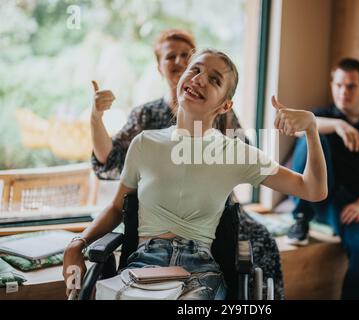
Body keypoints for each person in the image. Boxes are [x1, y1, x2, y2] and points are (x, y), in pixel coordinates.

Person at [64, 49, 328, 300]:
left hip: (200, 273)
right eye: (195, 70)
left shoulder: (234, 152)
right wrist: (78, 243)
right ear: (182, 80)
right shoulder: (144, 144)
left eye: (214, 79)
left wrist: (311, 130)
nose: (199, 79)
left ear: (226, 106)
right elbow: (115, 208)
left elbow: (313, 189)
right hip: (143, 268)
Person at [90, 28, 283, 298]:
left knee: (261, 239)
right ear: (159, 66)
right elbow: (109, 163)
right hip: (155, 214)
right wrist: (96, 118)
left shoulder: (220, 112)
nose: (179, 62)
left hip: (212, 207)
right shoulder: (146, 117)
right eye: (171, 57)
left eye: (185, 55)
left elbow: (245, 158)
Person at [287, 58, 359, 300]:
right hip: (317, 197)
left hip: (352, 205)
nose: (343, 92)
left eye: (350, 87)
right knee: (311, 133)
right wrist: (338, 125)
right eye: (338, 85)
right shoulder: (320, 115)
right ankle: (299, 217)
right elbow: (297, 128)